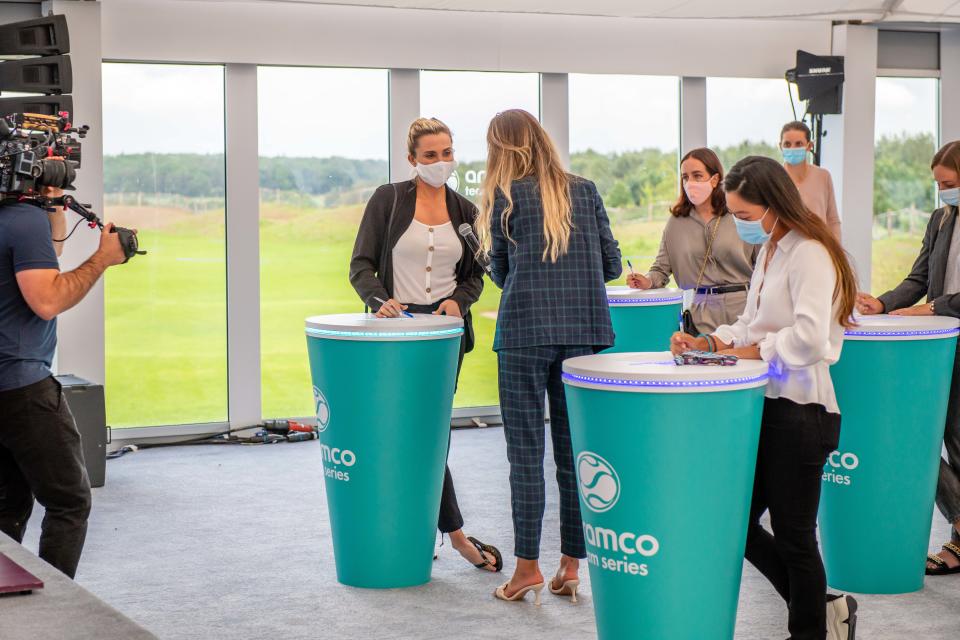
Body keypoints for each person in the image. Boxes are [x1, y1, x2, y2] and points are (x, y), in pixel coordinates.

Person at [671, 156, 859, 640]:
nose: (740, 224)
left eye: (746, 216)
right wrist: (710, 342)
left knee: (796, 539)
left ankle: (813, 628)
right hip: (764, 407)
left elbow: (812, 340)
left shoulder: (810, 253)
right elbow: (753, 324)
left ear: (775, 206)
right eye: (734, 214)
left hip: (802, 411)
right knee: (736, 524)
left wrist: (756, 351)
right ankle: (826, 607)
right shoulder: (771, 251)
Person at [476, 109, 621, 605]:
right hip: (584, 334)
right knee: (574, 455)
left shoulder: (505, 196)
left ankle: (526, 570)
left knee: (525, 457)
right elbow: (612, 264)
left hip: (522, 333)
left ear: (502, 148)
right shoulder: (585, 189)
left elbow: (498, 268)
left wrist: (529, 279)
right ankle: (570, 565)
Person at [349, 117, 502, 573]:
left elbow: (476, 275)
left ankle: (441, 531)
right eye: (431, 155)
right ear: (412, 158)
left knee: (429, 434)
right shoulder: (389, 200)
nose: (441, 162)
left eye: (447, 153)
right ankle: (453, 536)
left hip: (444, 338)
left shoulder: (467, 210)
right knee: (409, 433)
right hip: (396, 333)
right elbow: (360, 266)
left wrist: (459, 301)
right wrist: (379, 299)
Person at [0, 186, 131, 579]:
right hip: (22, 388)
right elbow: (48, 300)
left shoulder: (18, 220)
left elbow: (46, 257)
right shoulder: (24, 221)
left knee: (8, 500)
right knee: (69, 501)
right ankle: (58, 609)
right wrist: (103, 258)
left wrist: (54, 208)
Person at [856, 140, 960, 575]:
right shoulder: (940, 219)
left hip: (950, 332)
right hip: (935, 350)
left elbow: (934, 299)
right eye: (937, 184)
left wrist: (935, 307)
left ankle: (957, 540)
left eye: (949, 184)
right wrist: (881, 303)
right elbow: (919, 277)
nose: (942, 193)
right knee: (921, 439)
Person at [627, 147, 755, 334]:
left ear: (715, 179)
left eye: (697, 175)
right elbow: (661, 268)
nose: (690, 183)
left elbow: (764, 263)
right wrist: (647, 281)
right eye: (685, 177)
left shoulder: (738, 214)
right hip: (700, 314)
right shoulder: (677, 222)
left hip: (744, 311)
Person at [780, 121, 842, 242]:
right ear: (780, 146)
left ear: (809, 146)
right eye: (787, 144)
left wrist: (836, 253)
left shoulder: (823, 176)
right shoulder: (773, 179)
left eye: (799, 144)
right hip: (785, 253)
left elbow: (833, 220)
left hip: (819, 249)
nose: (792, 148)